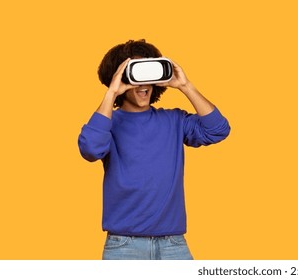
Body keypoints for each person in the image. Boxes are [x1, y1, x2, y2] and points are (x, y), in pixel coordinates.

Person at [78, 39, 231, 260]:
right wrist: (111, 93)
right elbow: (90, 149)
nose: (143, 84)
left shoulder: (174, 120)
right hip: (124, 246)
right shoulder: (109, 123)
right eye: (136, 75)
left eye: (150, 74)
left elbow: (218, 130)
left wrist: (186, 86)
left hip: (173, 244)